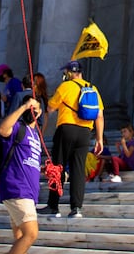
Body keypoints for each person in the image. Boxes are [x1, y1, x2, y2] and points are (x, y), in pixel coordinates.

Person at [0, 94, 44, 254]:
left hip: (29, 190)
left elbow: (29, 161)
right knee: (31, 233)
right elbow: (2, 130)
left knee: (21, 236)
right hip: (15, 186)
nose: (34, 111)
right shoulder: (18, 127)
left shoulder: (34, 134)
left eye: (37, 109)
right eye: (32, 107)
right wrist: (23, 108)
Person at [41, 61, 103, 219]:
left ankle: (53, 205)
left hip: (67, 128)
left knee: (58, 167)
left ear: (69, 73)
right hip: (85, 132)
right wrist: (100, 139)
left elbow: (50, 107)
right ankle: (76, 208)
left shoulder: (65, 86)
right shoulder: (92, 88)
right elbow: (100, 115)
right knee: (78, 170)